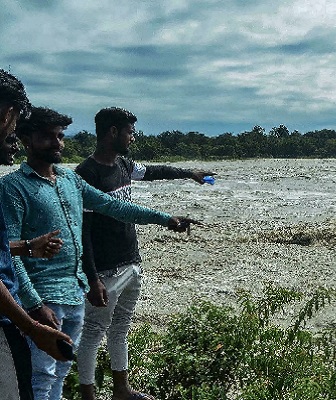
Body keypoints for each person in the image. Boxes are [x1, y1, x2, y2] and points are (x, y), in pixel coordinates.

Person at [0, 106, 198, 400]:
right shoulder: (13, 187)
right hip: (43, 300)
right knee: (40, 379)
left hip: (74, 294)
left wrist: (165, 218)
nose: (57, 144)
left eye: (60, 136)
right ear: (26, 139)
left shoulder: (70, 180)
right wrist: (33, 304)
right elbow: (7, 255)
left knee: (60, 375)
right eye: (48, 137)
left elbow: (116, 207)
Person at [75, 107, 214, 400]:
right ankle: (87, 395)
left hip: (130, 260)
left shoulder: (124, 165)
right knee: (93, 331)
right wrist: (92, 277)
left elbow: (153, 172)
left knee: (121, 327)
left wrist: (190, 174)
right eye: (130, 132)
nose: (133, 138)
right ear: (113, 132)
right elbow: (82, 231)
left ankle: (121, 389)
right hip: (105, 268)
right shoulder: (87, 173)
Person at [0, 69, 72, 400]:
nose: (13, 136)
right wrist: (31, 325)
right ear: (7, 115)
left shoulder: (68, 180)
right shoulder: (13, 187)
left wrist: (27, 247)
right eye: (15, 128)